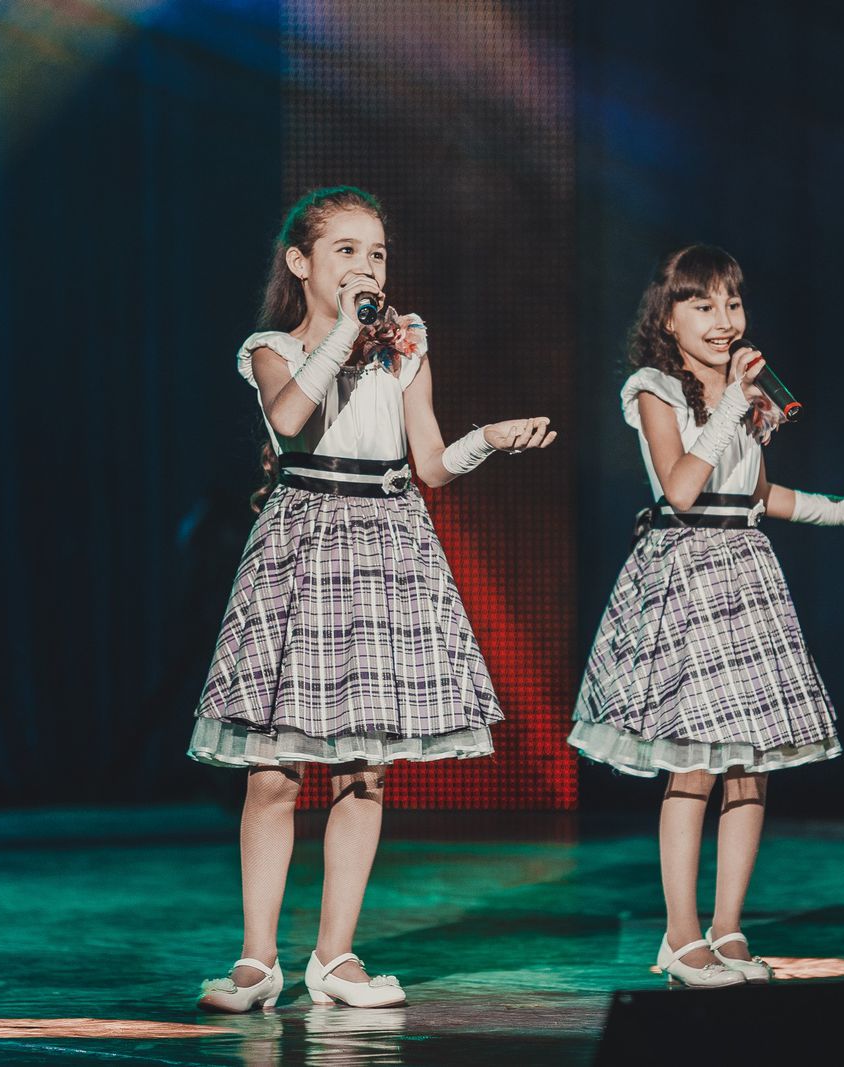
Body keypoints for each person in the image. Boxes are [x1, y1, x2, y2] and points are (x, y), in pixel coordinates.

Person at [191, 186, 555, 1010]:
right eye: (346, 250)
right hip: (303, 543)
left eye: (377, 253)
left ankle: (336, 956)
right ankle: (257, 959)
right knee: (274, 770)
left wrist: (488, 439)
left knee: (364, 768)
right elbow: (291, 419)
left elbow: (430, 463)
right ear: (301, 262)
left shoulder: (406, 344)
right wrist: (347, 331)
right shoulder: (271, 347)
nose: (367, 266)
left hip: (388, 543)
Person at [569, 244, 844, 988]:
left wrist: (843, 509)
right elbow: (682, 488)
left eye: (732, 304)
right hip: (687, 574)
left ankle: (727, 927)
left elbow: (758, 494)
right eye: (703, 304)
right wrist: (733, 406)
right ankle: (680, 936)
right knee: (694, 765)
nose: (723, 320)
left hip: (746, 574)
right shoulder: (653, 388)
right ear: (668, 317)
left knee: (751, 765)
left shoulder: (749, 392)